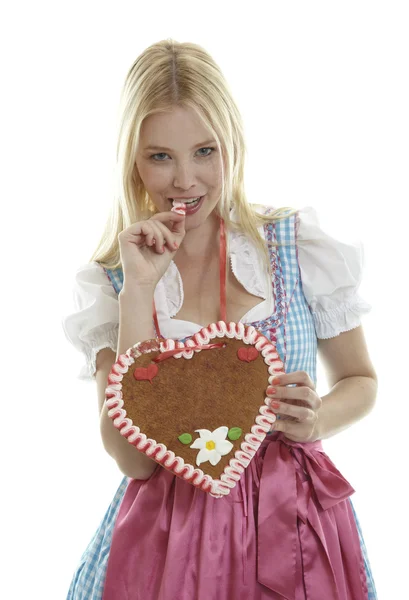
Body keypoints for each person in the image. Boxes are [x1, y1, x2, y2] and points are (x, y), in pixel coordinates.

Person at [62, 39, 379, 600]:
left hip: (297, 526)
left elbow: (361, 382)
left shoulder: (295, 244)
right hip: (168, 541)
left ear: (232, 141)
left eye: (204, 151)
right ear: (131, 162)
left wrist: (316, 421)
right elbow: (133, 460)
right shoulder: (115, 279)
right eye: (160, 156)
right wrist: (140, 288)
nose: (186, 180)